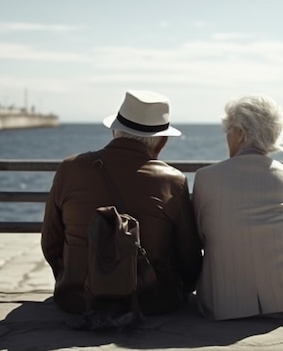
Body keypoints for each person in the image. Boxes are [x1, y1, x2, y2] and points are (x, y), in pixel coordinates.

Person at [41, 90, 203, 315]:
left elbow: (51, 242)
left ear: (114, 131)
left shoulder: (70, 168)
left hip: (77, 300)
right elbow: (189, 258)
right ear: (162, 141)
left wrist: (71, 282)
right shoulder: (173, 181)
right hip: (150, 302)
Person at [192, 94, 283, 321]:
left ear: (241, 134)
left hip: (225, 301)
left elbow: (201, 234)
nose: (227, 137)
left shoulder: (206, 178)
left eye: (229, 131)